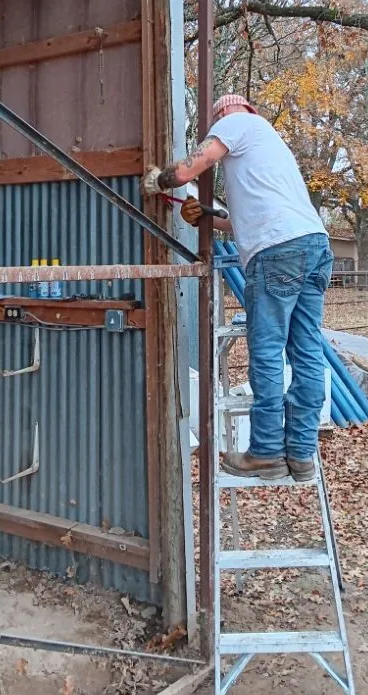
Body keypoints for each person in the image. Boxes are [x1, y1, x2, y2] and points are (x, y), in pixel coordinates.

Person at [141, 93, 333, 482]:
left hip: (278, 251)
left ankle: (265, 451)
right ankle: (300, 454)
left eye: (217, 115)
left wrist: (159, 179)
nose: (216, 122)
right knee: (307, 351)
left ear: (232, 111)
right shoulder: (271, 148)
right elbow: (250, 217)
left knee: (266, 350)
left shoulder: (236, 123)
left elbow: (188, 170)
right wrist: (209, 218)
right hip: (314, 244)